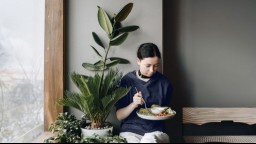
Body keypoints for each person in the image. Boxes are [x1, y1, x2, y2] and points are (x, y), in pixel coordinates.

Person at [115, 43, 173, 143]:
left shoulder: (165, 83)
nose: (152, 70)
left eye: (156, 66)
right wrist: (133, 104)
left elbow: (166, 112)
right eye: (148, 65)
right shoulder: (127, 80)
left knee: (149, 140)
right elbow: (119, 116)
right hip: (130, 131)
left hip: (156, 132)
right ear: (138, 61)